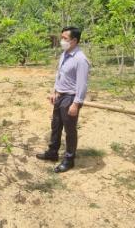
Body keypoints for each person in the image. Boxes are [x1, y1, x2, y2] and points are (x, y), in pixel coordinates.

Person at [36, 27, 90, 173]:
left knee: (70, 130)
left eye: (65, 38)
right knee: (56, 125)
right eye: (62, 38)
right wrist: (54, 91)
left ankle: (69, 159)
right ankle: (52, 153)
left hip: (71, 97)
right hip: (60, 96)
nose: (62, 41)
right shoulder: (64, 55)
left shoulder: (80, 59)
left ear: (74, 41)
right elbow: (59, 75)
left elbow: (82, 84)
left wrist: (76, 103)